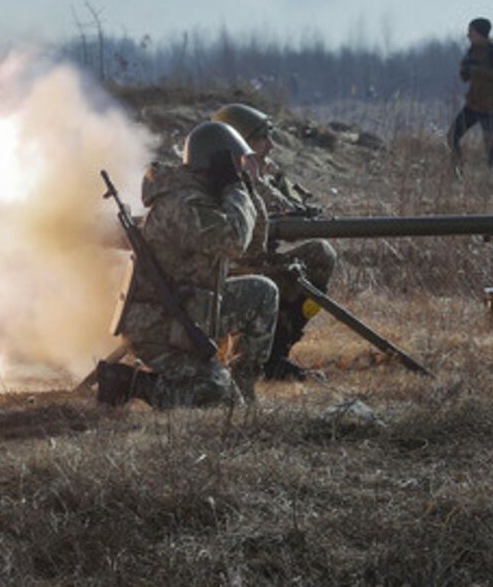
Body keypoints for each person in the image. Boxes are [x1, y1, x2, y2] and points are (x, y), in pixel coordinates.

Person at [115, 122, 278, 407]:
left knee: (263, 292)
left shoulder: (207, 196)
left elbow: (253, 248)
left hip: (191, 311)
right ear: (216, 164)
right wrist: (235, 189)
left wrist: (245, 189)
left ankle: (242, 386)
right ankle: (130, 384)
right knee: (214, 395)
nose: (240, 169)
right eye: (236, 162)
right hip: (160, 327)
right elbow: (232, 242)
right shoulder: (183, 203)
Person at [212, 103, 336, 381]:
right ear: (239, 142)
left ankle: (278, 353)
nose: (271, 146)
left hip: (257, 262)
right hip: (231, 272)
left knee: (320, 255)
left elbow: (296, 210)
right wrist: (256, 181)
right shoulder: (222, 176)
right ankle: (254, 359)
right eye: (262, 139)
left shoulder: (263, 172)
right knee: (277, 280)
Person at [449, 17, 493, 170]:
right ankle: (458, 171)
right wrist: (465, 68)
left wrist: (477, 70)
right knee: (452, 136)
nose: (468, 35)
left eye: (471, 32)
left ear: (480, 33)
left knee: (490, 146)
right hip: (473, 105)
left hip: (491, 107)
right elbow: (464, 78)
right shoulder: (472, 51)